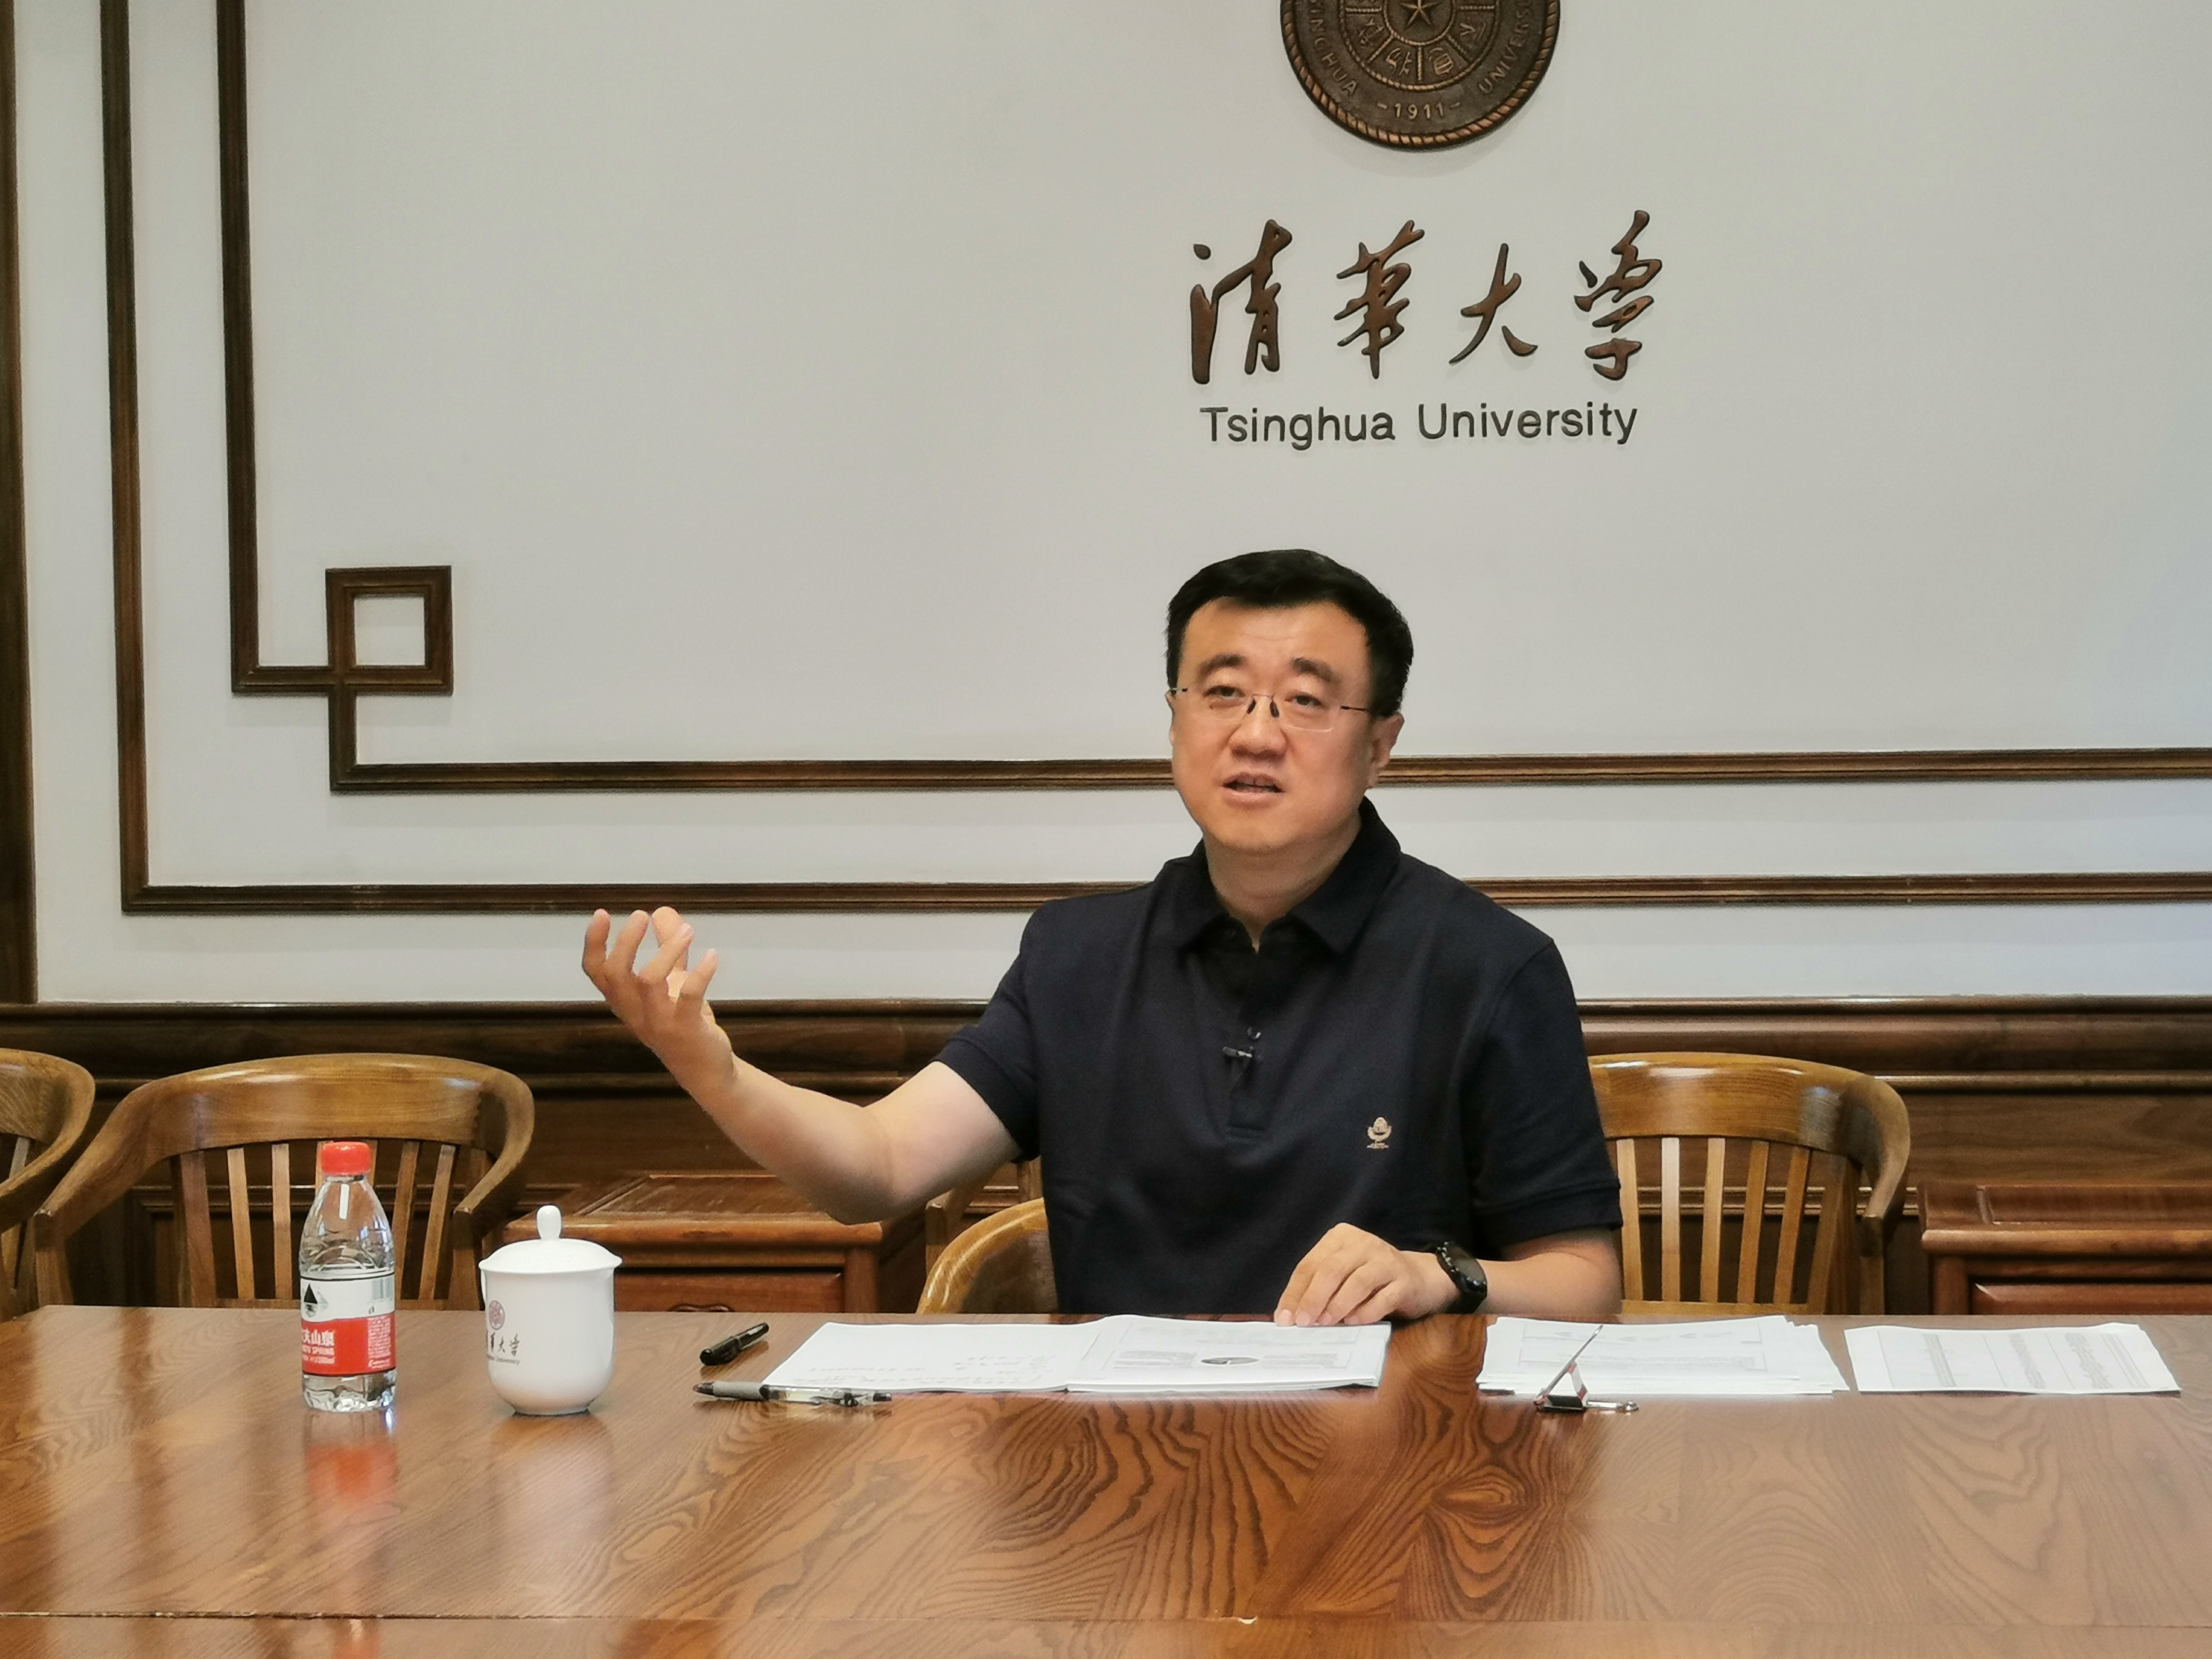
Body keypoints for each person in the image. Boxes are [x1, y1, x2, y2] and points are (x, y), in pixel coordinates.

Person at [584, 550, 1623, 1324]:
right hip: (1119, 1479)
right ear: (1174, 720)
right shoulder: (1076, 958)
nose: (1255, 732)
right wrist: (713, 1068)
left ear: (1381, 744)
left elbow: (1584, 1283)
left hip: (1395, 1471)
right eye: (1221, 692)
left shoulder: (1489, 966)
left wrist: (1437, 1276)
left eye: (1306, 701)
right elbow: (878, 1165)